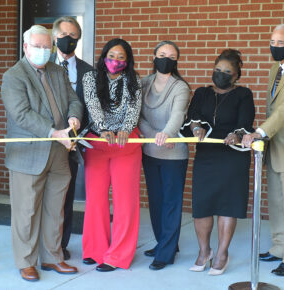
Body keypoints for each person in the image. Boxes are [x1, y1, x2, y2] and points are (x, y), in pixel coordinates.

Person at [1, 25, 83, 282]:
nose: (43, 51)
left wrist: (73, 117)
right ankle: (26, 261)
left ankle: (52, 257)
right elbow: (22, 114)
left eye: (47, 46)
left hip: (59, 154)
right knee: (26, 212)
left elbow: (75, 100)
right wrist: (52, 132)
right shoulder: (14, 76)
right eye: (37, 46)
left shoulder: (58, 72)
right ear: (26, 47)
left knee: (55, 210)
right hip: (28, 154)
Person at [242, 24, 284, 276]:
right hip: (275, 147)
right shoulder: (275, 69)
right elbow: (273, 108)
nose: (275, 46)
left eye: (281, 43)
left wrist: (260, 132)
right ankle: (280, 247)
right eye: (272, 41)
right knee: (278, 204)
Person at [180, 49, 255, 275]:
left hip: (232, 156)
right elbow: (191, 116)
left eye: (227, 72)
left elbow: (245, 121)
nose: (221, 74)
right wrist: (196, 127)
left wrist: (236, 135)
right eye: (217, 70)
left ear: (236, 75)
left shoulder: (243, 94)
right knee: (202, 206)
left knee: (227, 205)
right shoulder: (202, 93)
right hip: (207, 155)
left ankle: (222, 253)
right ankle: (204, 252)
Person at [82, 38, 142, 272]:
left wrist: (125, 130)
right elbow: (92, 104)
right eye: (112, 55)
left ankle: (118, 255)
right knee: (96, 199)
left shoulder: (134, 79)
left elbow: (133, 108)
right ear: (103, 56)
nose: (115, 61)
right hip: (98, 141)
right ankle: (94, 250)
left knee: (125, 201)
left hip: (125, 145)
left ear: (127, 61)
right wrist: (102, 127)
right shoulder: (90, 77)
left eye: (121, 57)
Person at [139, 41, 190, 270]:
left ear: (176, 61)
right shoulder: (143, 84)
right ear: (154, 56)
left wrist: (167, 134)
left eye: (171, 56)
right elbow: (138, 116)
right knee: (156, 201)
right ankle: (165, 242)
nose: (166, 59)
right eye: (162, 54)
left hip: (173, 153)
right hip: (151, 149)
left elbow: (178, 115)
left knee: (171, 203)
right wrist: (155, 136)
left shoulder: (180, 87)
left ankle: (166, 253)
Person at [50, 16, 94, 260]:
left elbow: (91, 107)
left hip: (74, 145)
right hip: (47, 142)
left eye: (73, 36)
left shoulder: (89, 71)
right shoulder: (42, 66)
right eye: (64, 35)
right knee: (45, 198)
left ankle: (61, 245)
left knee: (66, 197)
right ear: (55, 37)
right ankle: (44, 242)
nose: (68, 40)